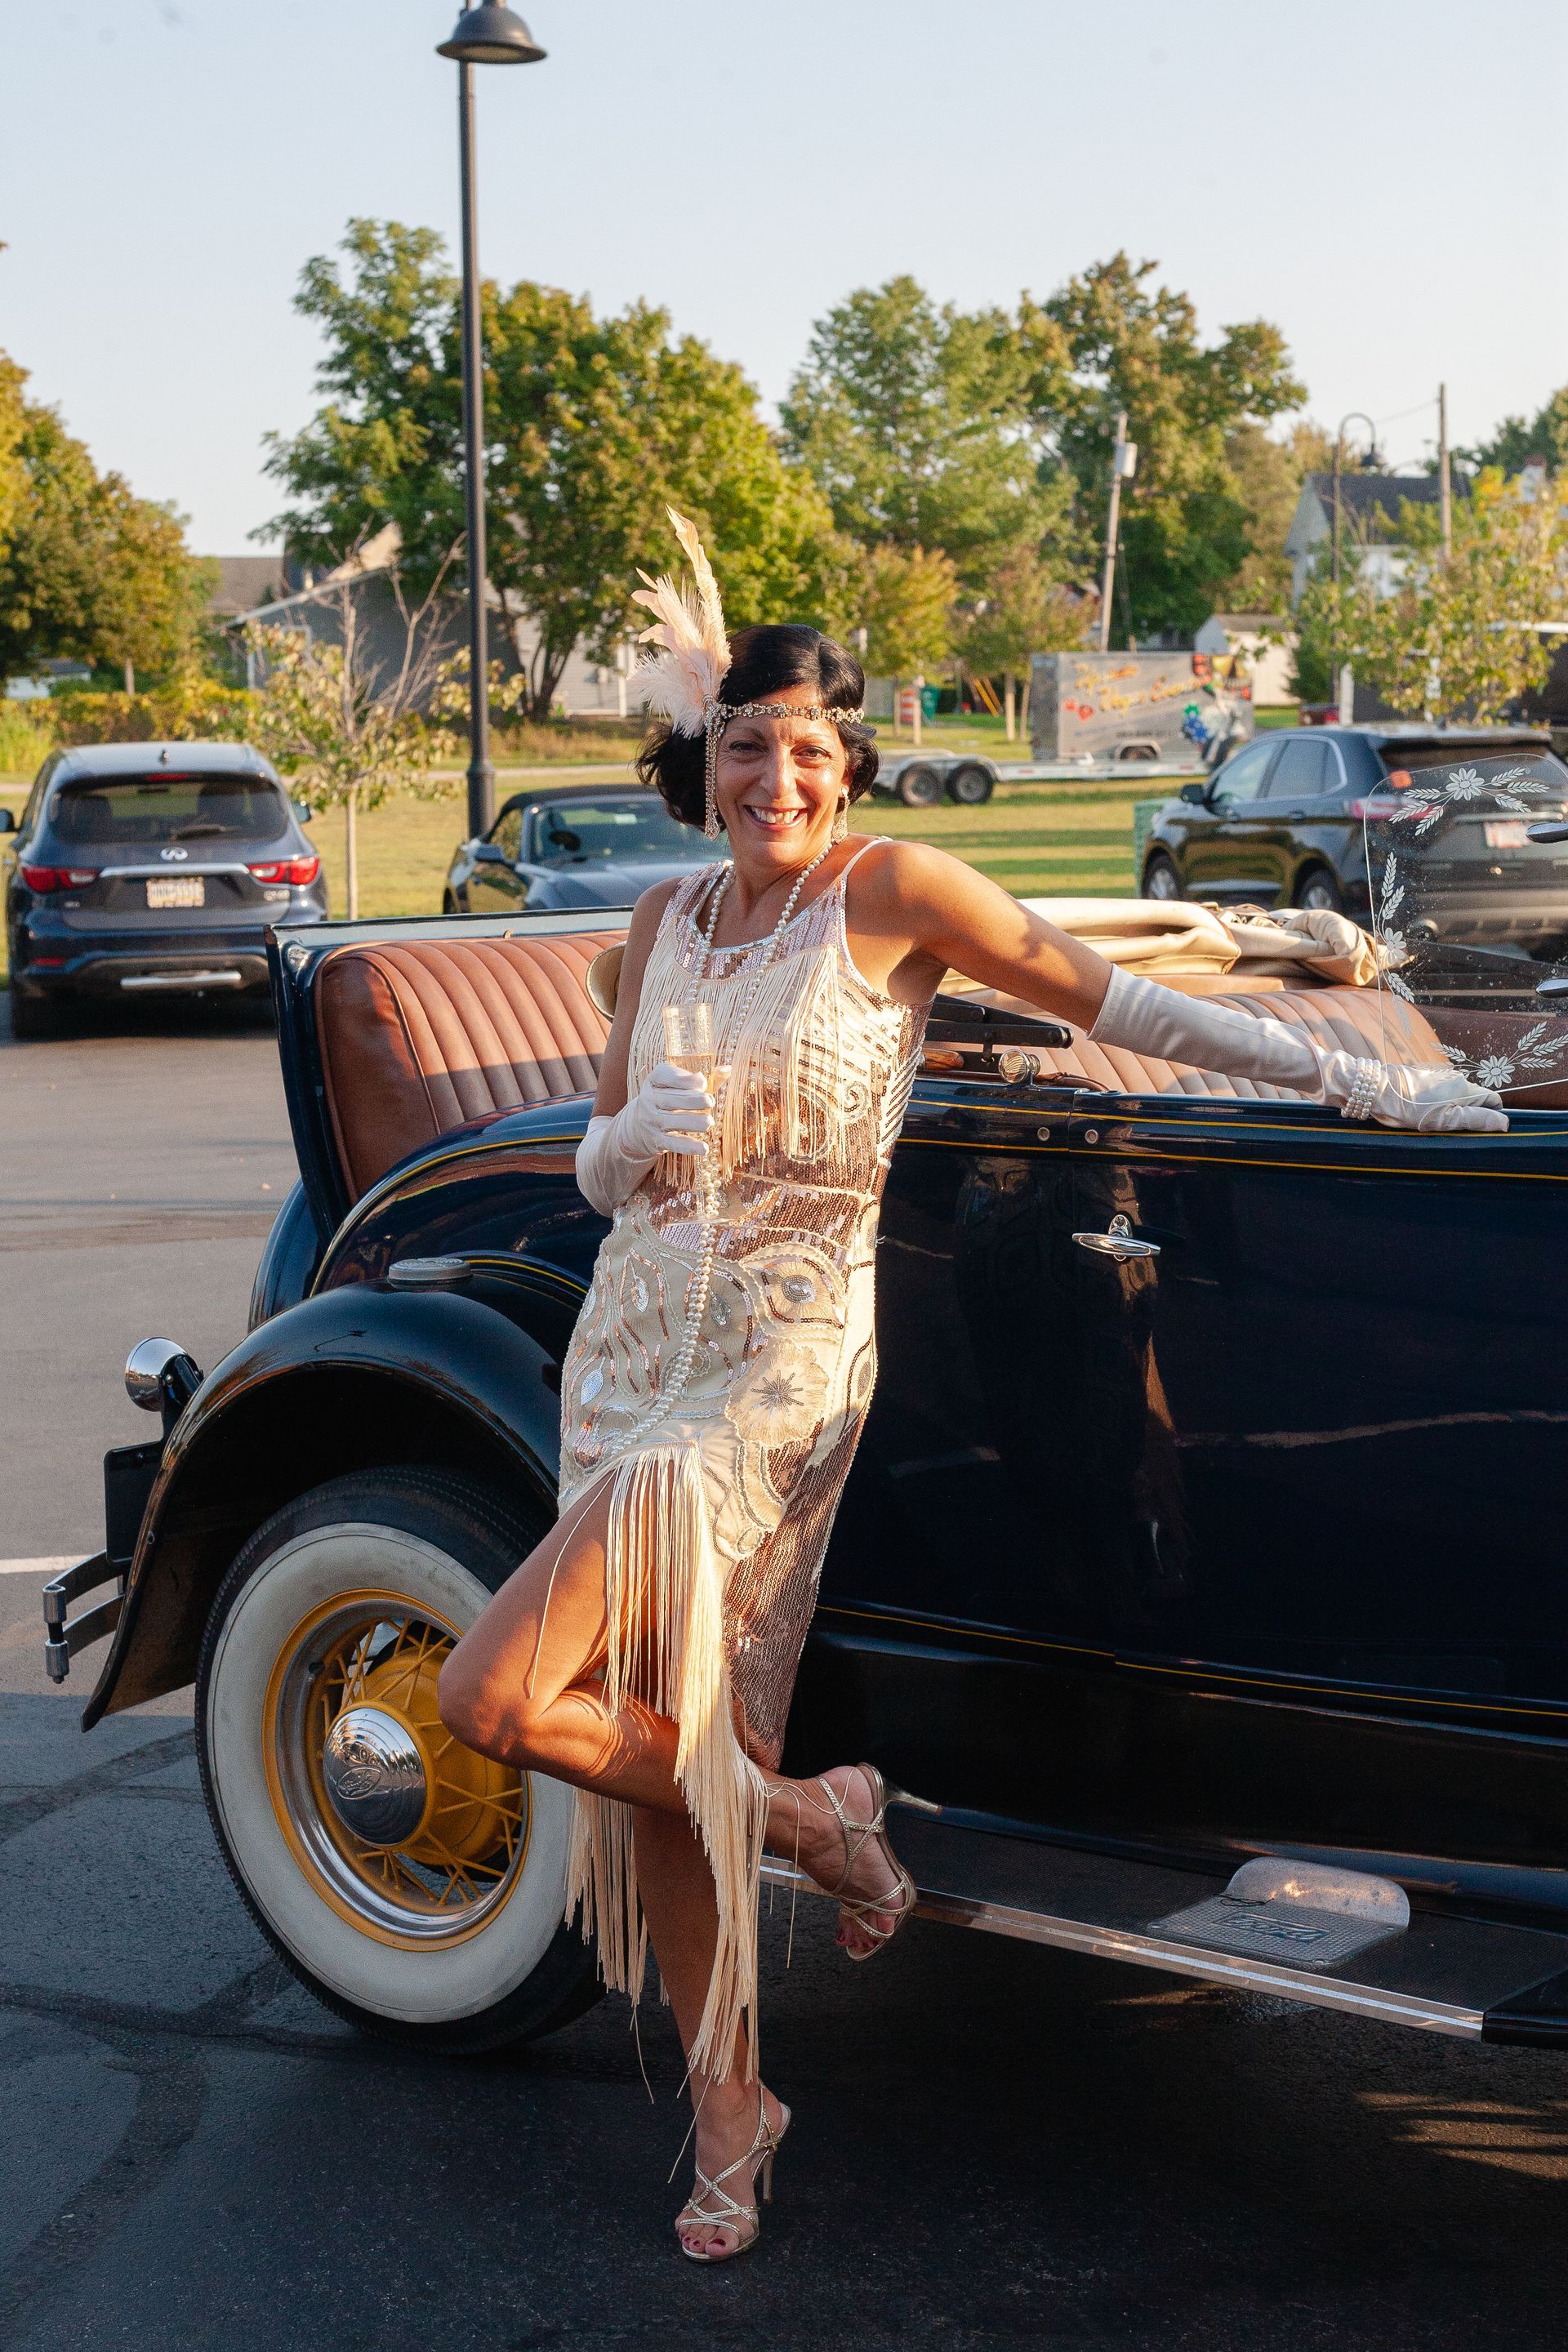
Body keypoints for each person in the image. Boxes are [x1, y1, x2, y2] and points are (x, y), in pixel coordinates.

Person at [437, 514, 1504, 2263]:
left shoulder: (895, 895)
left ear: (846, 766)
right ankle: (747, 2060)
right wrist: (631, 1136)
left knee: (493, 1695)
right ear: (701, 757)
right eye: (744, 742)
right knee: (659, 1759)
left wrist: (1360, 1084)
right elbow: (597, 1173)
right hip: (625, 1352)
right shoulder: (663, 912)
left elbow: (1122, 1001)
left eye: (805, 747)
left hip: (776, 1359)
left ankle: (816, 1824)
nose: (773, 773)